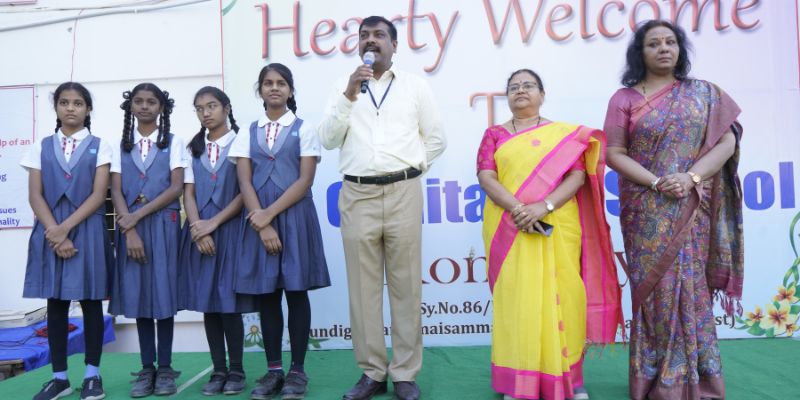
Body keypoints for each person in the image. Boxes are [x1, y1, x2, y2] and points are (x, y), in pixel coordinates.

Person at [604, 20, 743, 400]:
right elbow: (614, 153)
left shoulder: (703, 93)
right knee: (656, 294)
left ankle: (698, 382)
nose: (663, 48)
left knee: (692, 290)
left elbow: (727, 143)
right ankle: (656, 382)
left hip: (692, 203)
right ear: (640, 53)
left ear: (680, 49)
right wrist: (657, 182)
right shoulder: (624, 99)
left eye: (670, 42)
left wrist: (691, 177)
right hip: (646, 210)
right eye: (654, 43)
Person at [318, 15, 447, 400]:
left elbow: (436, 139)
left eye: (378, 35)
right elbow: (327, 139)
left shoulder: (414, 86)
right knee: (363, 291)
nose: (370, 41)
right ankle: (372, 372)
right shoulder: (343, 86)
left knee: (406, 287)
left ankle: (405, 373)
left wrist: (410, 168)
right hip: (357, 194)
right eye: (364, 36)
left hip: (404, 191)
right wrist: (348, 94)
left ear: (394, 45)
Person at [478, 69, 623, 400]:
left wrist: (543, 207)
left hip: (556, 223)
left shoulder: (564, 137)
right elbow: (486, 176)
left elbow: (577, 177)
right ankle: (520, 383)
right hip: (509, 226)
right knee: (516, 301)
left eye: (528, 85)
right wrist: (519, 209)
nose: (520, 90)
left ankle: (570, 379)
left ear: (542, 95)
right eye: (513, 87)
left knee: (565, 296)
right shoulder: (494, 135)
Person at [229, 63, 330, 400]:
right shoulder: (247, 131)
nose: (274, 88)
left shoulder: (305, 129)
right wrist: (260, 221)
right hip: (258, 220)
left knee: (296, 293)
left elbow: (305, 180)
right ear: (260, 90)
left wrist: (267, 216)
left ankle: (297, 371)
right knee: (267, 295)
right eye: (268, 83)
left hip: (294, 218)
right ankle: (274, 371)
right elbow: (244, 181)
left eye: (281, 83)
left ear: (290, 90)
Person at [22, 82, 114, 400]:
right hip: (50, 232)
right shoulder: (41, 146)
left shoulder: (101, 146)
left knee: (91, 302)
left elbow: (99, 195)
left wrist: (65, 229)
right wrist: (55, 231)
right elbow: (35, 195)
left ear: (88, 109)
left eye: (77, 103)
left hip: (86, 230)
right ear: (56, 107)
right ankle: (59, 378)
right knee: (56, 304)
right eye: (64, 102)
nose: (71, 108)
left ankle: (92, 375)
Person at [108, 83, 187, 397]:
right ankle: (146, 368)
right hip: (131, 228)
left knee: (163, 295)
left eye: (151, 102)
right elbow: (115, 190)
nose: (144, 106)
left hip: (163, 224)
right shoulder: (119, 145)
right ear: (130, 107)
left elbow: (176, 187)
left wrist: (135, 217)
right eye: (138, 101)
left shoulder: (174, 142)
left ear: (161, 107)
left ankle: (165, 368)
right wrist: (129, 229)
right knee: (139, 295)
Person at [179, 86, 254, 396]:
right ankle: (218, 369)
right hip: (200, 234)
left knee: (228, 304)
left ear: (226, 108)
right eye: (199, 108)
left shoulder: (242, 142)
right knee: (208, 304)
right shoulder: (193, 148)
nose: (205, 113)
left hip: (231, 231)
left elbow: (244, 192)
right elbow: (189, 193)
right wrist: (197, 228)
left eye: (211, 106)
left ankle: (236, 369)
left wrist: (213, 223)